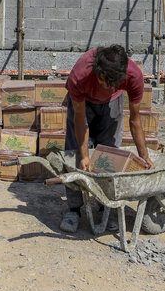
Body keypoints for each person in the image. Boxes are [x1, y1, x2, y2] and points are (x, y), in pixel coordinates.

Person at [60, 44, 155, 233]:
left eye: (113, 84)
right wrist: (85, 155)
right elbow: (80, 119)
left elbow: (135, 120)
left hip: (112, 104)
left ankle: (105, 208)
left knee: (109, 154)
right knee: (76, 154)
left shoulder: (134, 76)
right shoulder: (80, 75)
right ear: (97, 71)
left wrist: (144, 156)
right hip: (83, 102)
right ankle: (74, 210)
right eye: (103, 82)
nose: (106, 87)